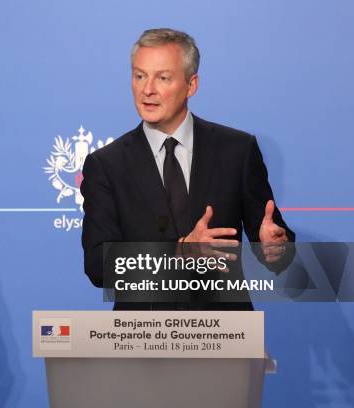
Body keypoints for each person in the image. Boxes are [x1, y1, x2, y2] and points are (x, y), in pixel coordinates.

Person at [80, 28, 295, 310]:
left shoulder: (237, 151)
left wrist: (276, 247)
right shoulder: (106, 165)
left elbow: (271, 240)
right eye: (139, 75)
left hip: (224, 337)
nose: (147, 90)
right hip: (141, 340)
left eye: (163, 78)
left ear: (191, 85)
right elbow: (99, 264)